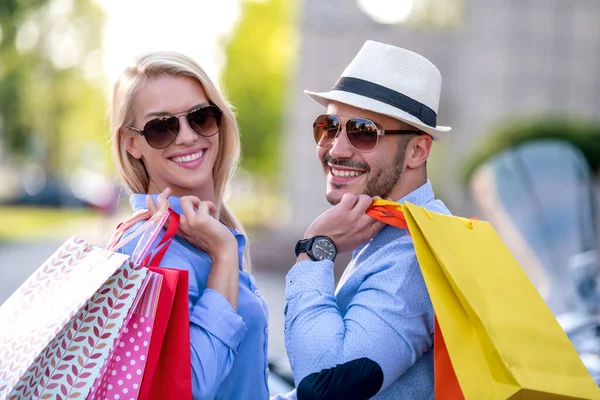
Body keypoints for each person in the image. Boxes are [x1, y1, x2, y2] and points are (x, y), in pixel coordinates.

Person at [273, 41, 452, 400]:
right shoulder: (386, 228)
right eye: (329, 126)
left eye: (363, 131)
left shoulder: (414, 255)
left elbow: (324, 386)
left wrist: (315, 248)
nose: (336, 148)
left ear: (417, 151)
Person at [110, 51, 269, 399]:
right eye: (161, 127)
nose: (186, 137)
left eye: (201, 117)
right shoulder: (152, 253)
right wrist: (225, 257)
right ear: (131, 143)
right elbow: (189, 389)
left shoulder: (207, 232)